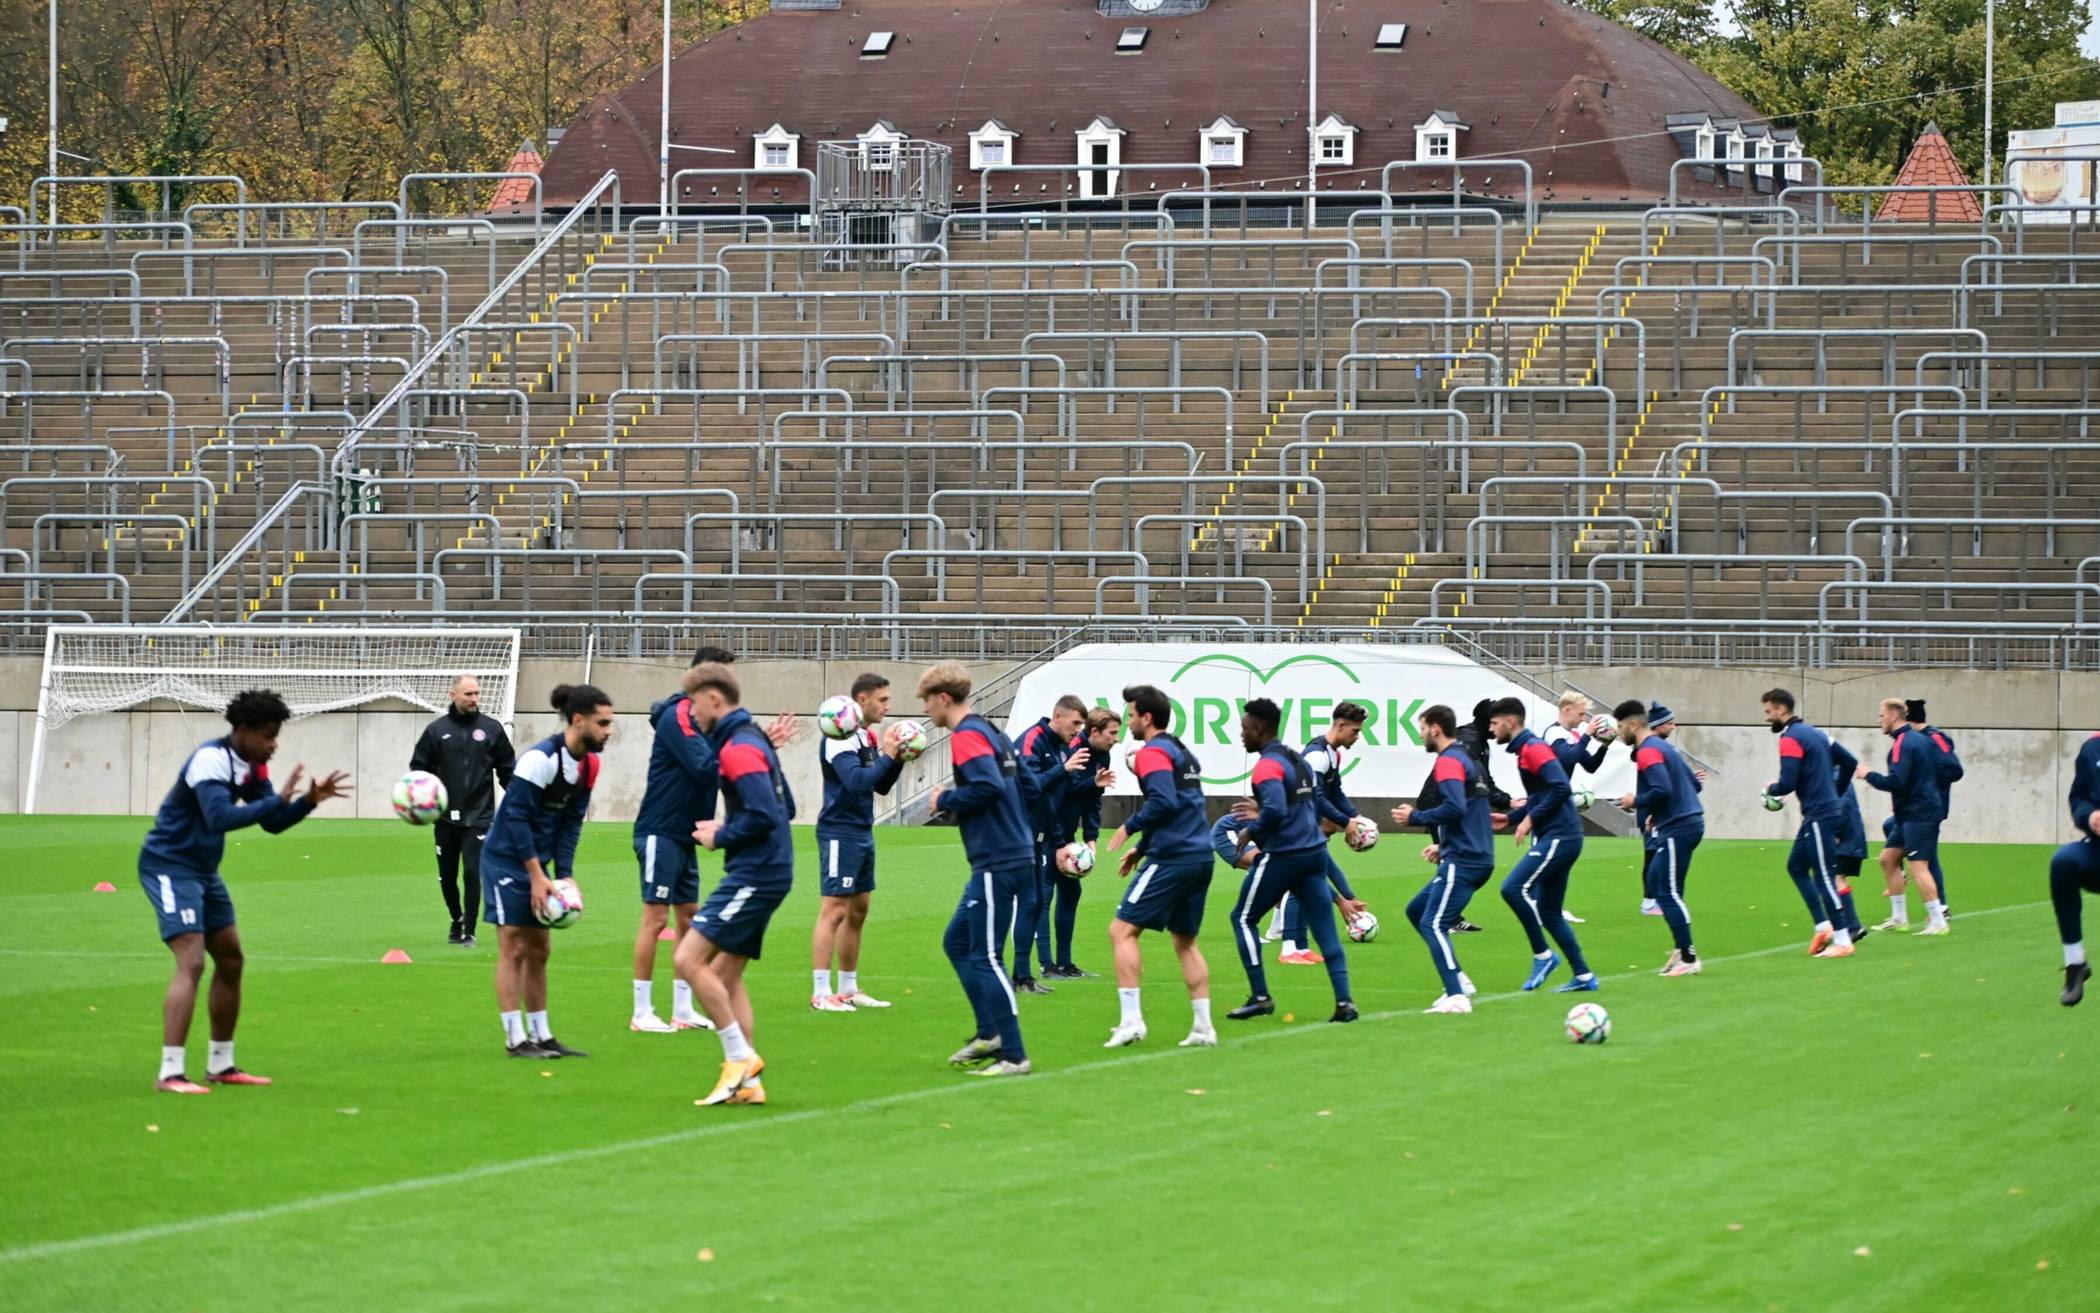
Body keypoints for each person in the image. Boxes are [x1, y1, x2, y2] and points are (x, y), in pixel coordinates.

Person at [140, 690, 349, 1093]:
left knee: (231, 959)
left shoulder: (253, 766)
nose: (274, 744)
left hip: (203, 870)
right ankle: (170, 1072)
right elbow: (219, 817)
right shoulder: (211, 759)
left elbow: (272, 822)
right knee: (193, 961)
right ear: (244, 730)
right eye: (269, 736)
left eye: (276, 736)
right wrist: (277, 804)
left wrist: (307, 802)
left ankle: (221, 1065)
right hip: (169, 865)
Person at [631, 646, 798, 1034]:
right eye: (724, 677)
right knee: (655, 919)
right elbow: (705, 766)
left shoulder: (739, 736)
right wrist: (758, 746)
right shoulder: (680, 715)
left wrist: (756, 747)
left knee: (689, 918)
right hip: (661, 829)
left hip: (690, 833)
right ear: (707, 690)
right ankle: (641, 1011)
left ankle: (683, 1010)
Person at [676, 663, 797, 1107]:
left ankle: (738, 1059)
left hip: (756, 873)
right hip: (770, 869)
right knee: (726, 975)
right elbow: (788, 805)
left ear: (713, 698)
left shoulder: (738, 748)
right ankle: (750, 1086)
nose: (689, 713)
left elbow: (766, 815)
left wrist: (720, 835)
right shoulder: (752, 741)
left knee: (688, 958)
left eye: (692, 703)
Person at [921, 661, 1039, 1077]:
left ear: (943, 698)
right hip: (1013, 850)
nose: (926, 711)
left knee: (986, 955)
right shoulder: (994, 732)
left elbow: (987, 786)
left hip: (997, 857)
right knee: (957, 942)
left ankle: (1014, 1054)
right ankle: (989, 1032)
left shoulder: (967, 736)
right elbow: (1030, 786)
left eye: (926, 702)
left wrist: (945, 802)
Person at [484, 684, 612, 1061]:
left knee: (540, 949)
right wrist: (537, 875)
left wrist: (565, 874)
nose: (608, 730)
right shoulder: (539, 759)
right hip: (507, 858)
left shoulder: (590, 764)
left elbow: (571, 822)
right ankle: (514, 1039)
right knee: (513, 946)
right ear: (578, 720)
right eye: (602, 723)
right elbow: (518, 817)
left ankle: (542, 1035)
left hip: (538, 862)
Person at [1224, 698, 1357, 1023]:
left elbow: (1275, 810)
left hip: (1286, 854)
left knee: (1242, 918)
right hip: (1313, 852)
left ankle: (1260, 996)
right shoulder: (1297, 759)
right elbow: (1305, 805)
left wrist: (1250, 830)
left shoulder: (1268, 764)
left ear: (1258, 729)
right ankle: (1345, 1003)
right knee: (1325, 929)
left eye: (1244, 728)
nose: (1241, 734)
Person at [1099, 686, 1216, 1047]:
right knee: (1185, 942)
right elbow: (1183, 805)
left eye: (1130, 716)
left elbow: (1163, 802)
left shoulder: (1152, 753)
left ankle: (1131, 1021)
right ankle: (1203, 1027)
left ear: (1146, 718)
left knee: (1121, 932)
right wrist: (1143, 848)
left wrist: (1129, 827)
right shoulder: (1183, 752)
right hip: (1200, 855)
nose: (1128, 723)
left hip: (1174, 857)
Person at [811, 672, 910, 1013]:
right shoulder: (840, 735)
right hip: (840, 832)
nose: (888, 705)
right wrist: (887, 755)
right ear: (862, 700)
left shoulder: (864, 736)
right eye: (882, 699)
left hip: (861, 831)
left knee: (858, 911)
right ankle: (821, 992)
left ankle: (848, 988)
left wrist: (896, 758)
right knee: (834, 910)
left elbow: (878, 787)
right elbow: (855, 782)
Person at [1393, 704, 1496, 1013]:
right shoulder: (1468, 759)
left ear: (1435, 728)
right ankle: (1459, 980)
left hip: (1466, 859)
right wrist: (1443, 845)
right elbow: (1473, 810)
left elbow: (1454, 808)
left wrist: (1415, 816)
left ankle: (1456, 995)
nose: (1421, 734)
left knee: (1434, 923)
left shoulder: (1449, 761)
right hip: (1471, 852)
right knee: (1416, 911)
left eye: (1422, 728)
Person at [1489, 697, 1597, 993]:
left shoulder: (1533, 748)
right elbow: (1541, 795)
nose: (1491, 728)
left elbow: (1561, 787)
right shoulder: (1526, 749)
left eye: (1494, 723)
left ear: (1511, 722)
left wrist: (1528, 821)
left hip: (1560, 835)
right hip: (1563, 835)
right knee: (1549, 911)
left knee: (1512, 889)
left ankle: (1543, 956)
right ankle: (1584, 976)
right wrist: (1511, 818)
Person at [409, 675, 515, 947]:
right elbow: (419, 770)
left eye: (477, 694)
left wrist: (519, 801)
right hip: (444, 817)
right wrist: (420, 800)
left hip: (479, 817)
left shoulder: (491, 729)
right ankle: (456, 918)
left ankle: (470, 929)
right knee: (447, 876)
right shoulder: (436, 731)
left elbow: (507, 771)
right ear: (452, 695)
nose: (474, 699)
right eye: (468, 694)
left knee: (471, 871)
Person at [1760, 689, 1860, 959]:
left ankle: (1842, 940)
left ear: (1781, 710)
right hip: (1822, 812)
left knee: (1824, 875)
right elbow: (1850, 761)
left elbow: (1788, 783)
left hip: (1819, 814)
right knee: (1796, 866)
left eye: (1769, 712)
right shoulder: (1817, 733)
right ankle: (1823, 926)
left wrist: (1773, 787)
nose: (1767, 717)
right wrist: (1836, 792)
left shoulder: (1790, 738)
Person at [1274, 702, 1373, 964]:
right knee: (1298, 886)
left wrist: (1355, 816)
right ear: (1340, 725)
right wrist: (1344, 822)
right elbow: (1315, 796)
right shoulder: (1316, 755)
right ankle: (1288, 949)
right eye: (1355, 731)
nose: (1357, 736)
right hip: (1294, 826)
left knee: (1308, 882)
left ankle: (1302, 947)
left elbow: (1335, 792)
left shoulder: (1332, 754)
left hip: (1306, 827)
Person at [1613, 699, 1705, 977]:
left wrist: (1636, 801)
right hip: (1682, 823)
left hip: (1679, 827)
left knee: (1665, 890)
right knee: (1661, 883)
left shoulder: (1648, 751)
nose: (1618, 732)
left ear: (1633, 724)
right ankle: (1681, 948)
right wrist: (1657, 810)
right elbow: (1694, 784)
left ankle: (1688, 957)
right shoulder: (1663, 747)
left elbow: (1662, 789)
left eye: (1619, 726)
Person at [1012, 696, 1090, 993]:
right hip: (1017, 835)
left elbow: (1051, 801)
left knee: (1032, 905)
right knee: (1025, 904)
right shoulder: (1032, 740)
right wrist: (1064, 769)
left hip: (1039, 837)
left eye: (1081, 724)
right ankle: (1018, 975)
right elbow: (1030, 786)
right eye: (1075, 723)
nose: (1077, 730)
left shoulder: (1059, 747)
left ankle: (1024, 977)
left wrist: (1059, 842)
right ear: (1057, 716)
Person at [1858, 697, 1949, 936]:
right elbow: (1940, 771)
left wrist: (1868, 775)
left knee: (1919, 866)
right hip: (1911, 812)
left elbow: (1897, 781)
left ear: (1894, 716)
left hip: (1919, 814)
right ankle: (1899, 918)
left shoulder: (1903, 743)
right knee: (1888, 859)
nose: (1879, 720)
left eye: (1881, 715)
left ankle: (1939, 921)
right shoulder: (1922, 740)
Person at [1043, 707, 1122, 979]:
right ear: (1095, 731)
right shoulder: (1074, 750)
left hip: (1067, 836)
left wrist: (1091, 836)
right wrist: (1093, 784)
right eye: (1112, 733)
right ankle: (1047, 965)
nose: (1116, 739)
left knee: (1071, 893)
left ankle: (1064, 963)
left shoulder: (1104, 754)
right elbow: (1069, 789)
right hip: (1047, 834)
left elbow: (1093, 797)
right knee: (1043, 897)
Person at [1877, 699, 1963, 926]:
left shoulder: (1932, 738)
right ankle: (1899, 885)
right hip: (1913, 806)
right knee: (1890, 841)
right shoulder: (1908, 740)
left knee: (1924, 859)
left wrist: (1924, 786)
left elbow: (1954, 769)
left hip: (1926, 806)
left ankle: (1940, 909)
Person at [1542, 690, 1612, 919]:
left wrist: (1605, 745)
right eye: (1581, 714)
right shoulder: (1553, 733)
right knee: (1545, 854)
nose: (1584, 719)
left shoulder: (1570, 735)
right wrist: (1588, 736)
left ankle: (1552, 906)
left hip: (1560, 802)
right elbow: (1569, 758)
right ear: (1567, 710)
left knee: (1561, 854)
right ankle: (1539, 905)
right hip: (1546, 802)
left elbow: (1589, 765)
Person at [2049, 731, 2099, 1006]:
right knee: (2064, 862)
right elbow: (2078, 798)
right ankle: (2075, 962)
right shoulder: (2093, 748)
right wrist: (2090, 817)